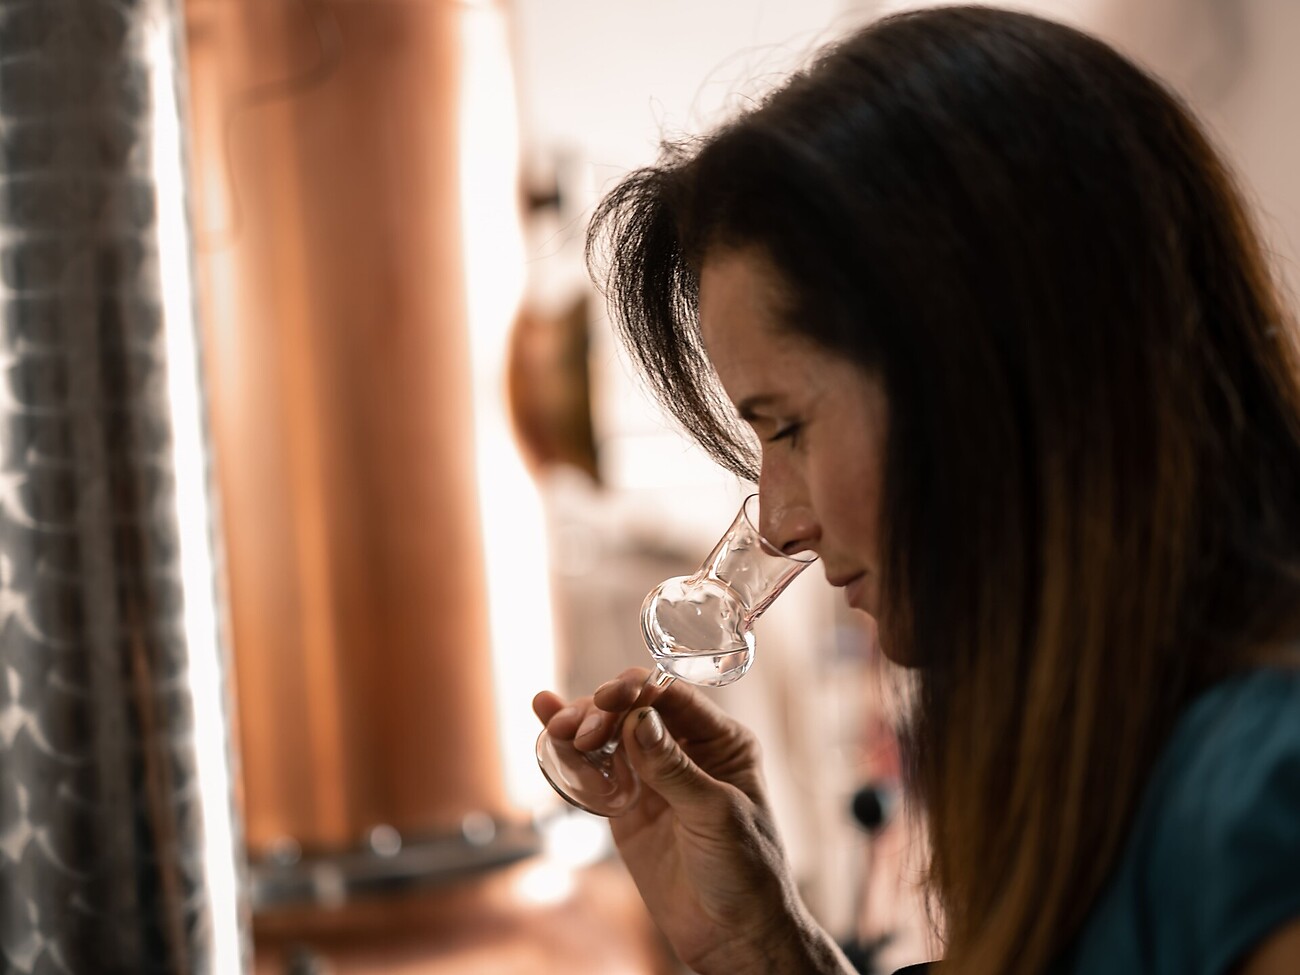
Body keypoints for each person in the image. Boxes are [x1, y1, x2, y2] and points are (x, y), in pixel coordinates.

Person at [531, 6, 1300, 973]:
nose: (782, 522)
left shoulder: (1262, 790)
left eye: (789, 425)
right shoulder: (1100, 763)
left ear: (993, 372)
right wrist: (765, 946)